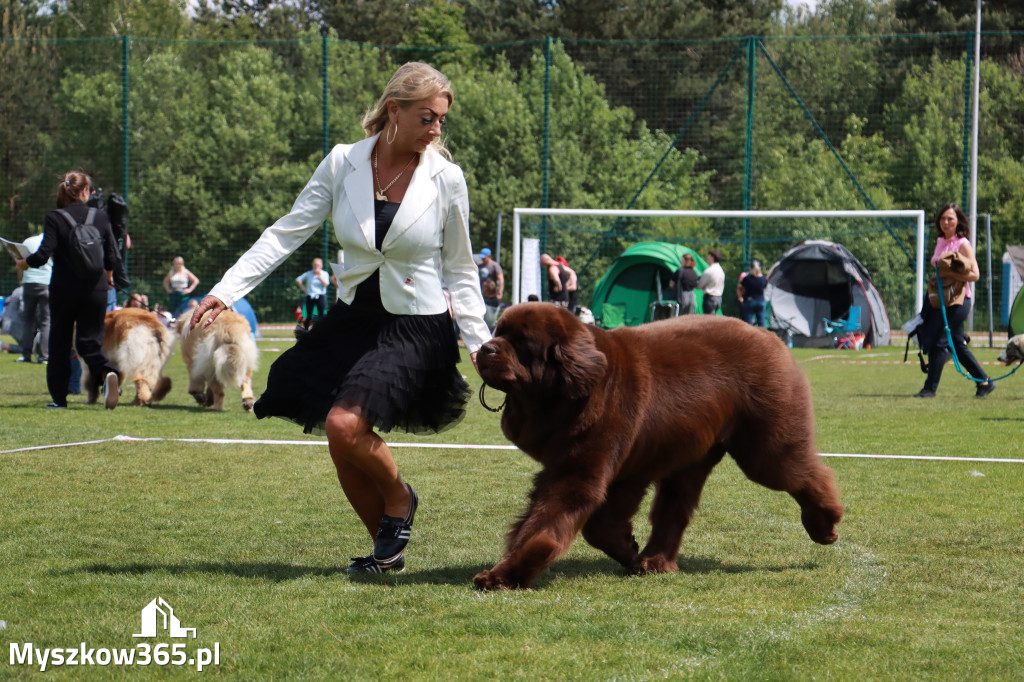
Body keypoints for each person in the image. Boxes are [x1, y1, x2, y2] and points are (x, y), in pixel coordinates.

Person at [188, 62, 490, 574]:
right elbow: (287, 232)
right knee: (338, 436)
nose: (437, 130)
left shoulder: (447, 179)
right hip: (352, 319)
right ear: (394, 110)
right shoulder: (341, 163)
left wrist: (481, 343)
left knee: (345, 423)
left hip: (416, 324)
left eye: (441, 120)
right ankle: (385, 553)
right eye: (427, 118)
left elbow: (460, 267)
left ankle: (400, 499)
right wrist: (225, 291)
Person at [16, 171, 121, 410]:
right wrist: (109, 279)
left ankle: (59, 399)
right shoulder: (101, 217)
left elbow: (43, 255)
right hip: (96, 290)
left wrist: (23, 263)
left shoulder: (55, 218)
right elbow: (112, 257)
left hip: (64, 289)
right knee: (90, 342)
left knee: (60, 343)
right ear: (85, 191)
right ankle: (107, 373)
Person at [914, 203, 994, 399]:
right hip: (940, 300)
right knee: (957, 344)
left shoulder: (963, 244)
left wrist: (951, 274)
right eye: (943, 218)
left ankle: (929, 389)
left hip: (958, 301)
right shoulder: (941, 241)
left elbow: (975, 275)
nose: (946, 222)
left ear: (958, 221)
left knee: (940, 341)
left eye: (950, 218)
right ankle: (984, 381)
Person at [18, 233, 52, 364]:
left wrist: (21, 281)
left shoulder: (27, 241)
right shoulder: (51, 241)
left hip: (29, 282)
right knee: (46, 321)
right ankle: (44, 356)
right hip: (46, 282)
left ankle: (26, 355)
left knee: (28, 320)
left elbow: (19, 264)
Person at [295, 257, 330, 330]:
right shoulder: (309, 273)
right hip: (310, 296)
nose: (316, 266)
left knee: (322, 315)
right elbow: (298, 279)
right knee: (308, 315)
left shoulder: (324, 274)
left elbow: (326, 284)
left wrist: (319, 276)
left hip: (320, 296)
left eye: (318, 265)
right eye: (315, 265)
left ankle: (323, 330)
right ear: (313, 265)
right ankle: (306, 331)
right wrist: (305, 290)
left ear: (321, 266)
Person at [737, 259, 767, 327]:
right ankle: (762, 337)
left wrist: (740, 297)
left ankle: (750, 337)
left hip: (749, 301)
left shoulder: (747, 278)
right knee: (761, 323)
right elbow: (765, 288)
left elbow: (739, 287)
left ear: (750, 268)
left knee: (748, 325)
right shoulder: (763, 279)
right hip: (761, 301)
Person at [697, 248, 726, 315]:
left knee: (708, 321)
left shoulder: (709, 271)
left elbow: (699, 285)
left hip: (710, 299)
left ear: (712, 257)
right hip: (719, 298)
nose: (707, 258)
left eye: (708, 256)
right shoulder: (721, 271)